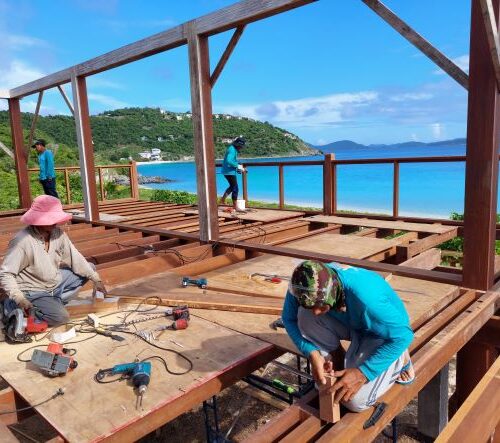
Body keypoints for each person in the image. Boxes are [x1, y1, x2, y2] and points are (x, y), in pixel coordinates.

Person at [282, 260, 415, 412]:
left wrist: (363, 373)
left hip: (382, 333)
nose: (316, 312)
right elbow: (288, 319)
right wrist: (312, 353)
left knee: (353, 401)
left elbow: (404, 335)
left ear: (333, 291)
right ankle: (338, 359)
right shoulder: (303, 284)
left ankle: (401, 359)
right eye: (312, 305)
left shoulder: (367, 301)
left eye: (320, 305)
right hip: (355, 322)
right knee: (304, 315)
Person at [0, 195, 107, 326]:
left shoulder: (57, 233)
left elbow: (75, 258)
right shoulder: (23, 241)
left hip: (54, 283)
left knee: (90, 269)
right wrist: (19, 298)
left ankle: (51, 302)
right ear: (37, 220)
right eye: (51, 218)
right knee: (61, 318)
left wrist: (97, 280)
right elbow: (6, 274)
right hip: (32, 289)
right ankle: (11, 306)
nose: (55, 222)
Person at [219, 136, 246, 208]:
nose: (241, 148)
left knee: (232, 187)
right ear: (238, 145)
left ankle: (222, 200)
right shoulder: (232, 150)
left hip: (227, 171)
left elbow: (232, 161)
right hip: (229, 171)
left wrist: (239, 166)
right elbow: (229, 160)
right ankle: (235, 206)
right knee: (235, 188)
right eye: (241, 146)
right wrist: (238, 166)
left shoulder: (233, 149)